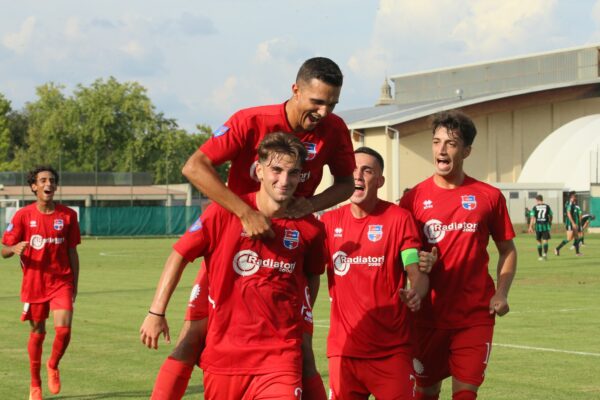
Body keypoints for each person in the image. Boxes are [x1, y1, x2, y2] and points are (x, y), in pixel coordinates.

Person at [145, 57, 355, 399]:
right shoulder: (251, 120)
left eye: (331, 104)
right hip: (233, 240)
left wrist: (311, 205)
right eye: (316, 102)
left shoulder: (333, 130)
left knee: (301, 350)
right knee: (191, 339)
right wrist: (244, 213)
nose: (323, 112)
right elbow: (194, 166)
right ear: (295, 90)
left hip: (291, 243)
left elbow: (346, 183)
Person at [140, 132, 327, 399]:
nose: (284, 181)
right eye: (276, 170)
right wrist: (156, 312)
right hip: (224, 359)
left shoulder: (311, 229)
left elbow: (312, 275)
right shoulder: (222, 213)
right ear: (259, 170)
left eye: (293, 173)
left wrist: (302, 318)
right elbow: (179, 255)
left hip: (279, 359)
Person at [400, 110, 517, 400]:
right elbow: (402, 253)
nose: (441, 149)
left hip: (474, 315)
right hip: (427, 317)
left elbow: (508, 250)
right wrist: (418, 263)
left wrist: (501, 293)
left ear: (466, 150)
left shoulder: (488, 196)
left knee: (465, 394)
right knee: (425, 393)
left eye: (450, 143)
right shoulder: (413, 198)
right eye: (436, 141)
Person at [321, 147, 430, 399]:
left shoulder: (399, 219)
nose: (358, 176)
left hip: (392, 351)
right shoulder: (328, 223)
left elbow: (414, 269)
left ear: (379, 181)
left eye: (367, 171)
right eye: (353, 170)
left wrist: (417, 292)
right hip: (343, 350)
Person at [2, 166, 81, 400]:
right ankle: (35, 384)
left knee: (64, 330)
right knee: (38, 331)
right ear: (34, 186)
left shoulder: (68, 215)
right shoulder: (22, 216)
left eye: (52, 180)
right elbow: (4, 250)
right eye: (43, 180)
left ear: (55, 186)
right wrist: (14, 248)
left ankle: (53, 364)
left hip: (61, 280)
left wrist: (74, 284)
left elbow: (72, 252)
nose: (48, 184)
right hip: (35, 283)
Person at [555, 191, 582, 256]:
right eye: (574, 196)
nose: (575, 198)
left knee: (576, 237)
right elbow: (569, 214)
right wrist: (573, 223)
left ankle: (577, 253)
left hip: (574, 223)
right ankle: (557, 248)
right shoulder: (569, 204)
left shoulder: (573, 204)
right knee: (569, 238)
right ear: (571, 197)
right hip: (570, 224)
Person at [528, 195, 553, 260]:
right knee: (545, 241)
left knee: (539, 241)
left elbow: (532, 217)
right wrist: (550, 222)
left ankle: (540, 256)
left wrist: (530, 226)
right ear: (542, 199)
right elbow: (551, 215)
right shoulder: (547, 206)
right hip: (545, 225)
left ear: (537, 200)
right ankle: (545, 254)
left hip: (538, 226)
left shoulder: (535, 207)